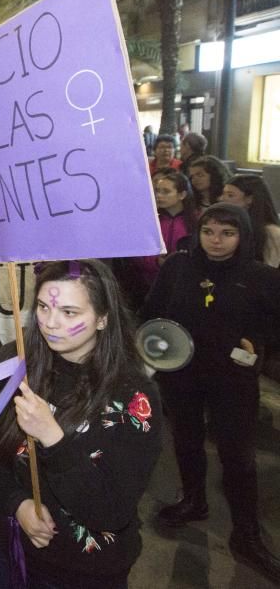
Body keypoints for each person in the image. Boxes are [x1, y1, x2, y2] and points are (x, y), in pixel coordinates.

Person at [0, 259, 161, 588]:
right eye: (42, 307)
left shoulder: (134, 397)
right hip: (6, 548)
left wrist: (53, 439)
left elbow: (112, 510)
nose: (50, 323)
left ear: (102, 318)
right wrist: (17, 503)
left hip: (81, 571)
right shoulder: (15, 362)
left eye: (69, 313)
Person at [142, 203, 280, 583]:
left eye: (227, 233)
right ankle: (194, 500)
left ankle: (247, 533)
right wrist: (154, 347)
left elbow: (274, 325)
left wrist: (259, 347)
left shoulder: (261, 277)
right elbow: (153, 312)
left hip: (232, 378)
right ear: (198, 232)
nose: (216, 241)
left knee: (238, 456)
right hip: (181, 374)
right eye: (209, 232)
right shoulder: (178, 267)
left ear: (243, 236)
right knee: (186, 441)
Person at [132, 172, 199, 286]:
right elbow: (138, 252)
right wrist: (156, 262)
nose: (159, 195)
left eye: (166, 192)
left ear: (182, 195)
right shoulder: (149, 219)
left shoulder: (196, 221)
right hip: (149, 282)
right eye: (157, 191)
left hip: (184, 281)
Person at [220, 174, 280, 268]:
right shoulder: (226, 225)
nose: (222, 199)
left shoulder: (271, 233)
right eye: (223, 194)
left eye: (230, 195)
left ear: (249, 199)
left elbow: (271, 270)